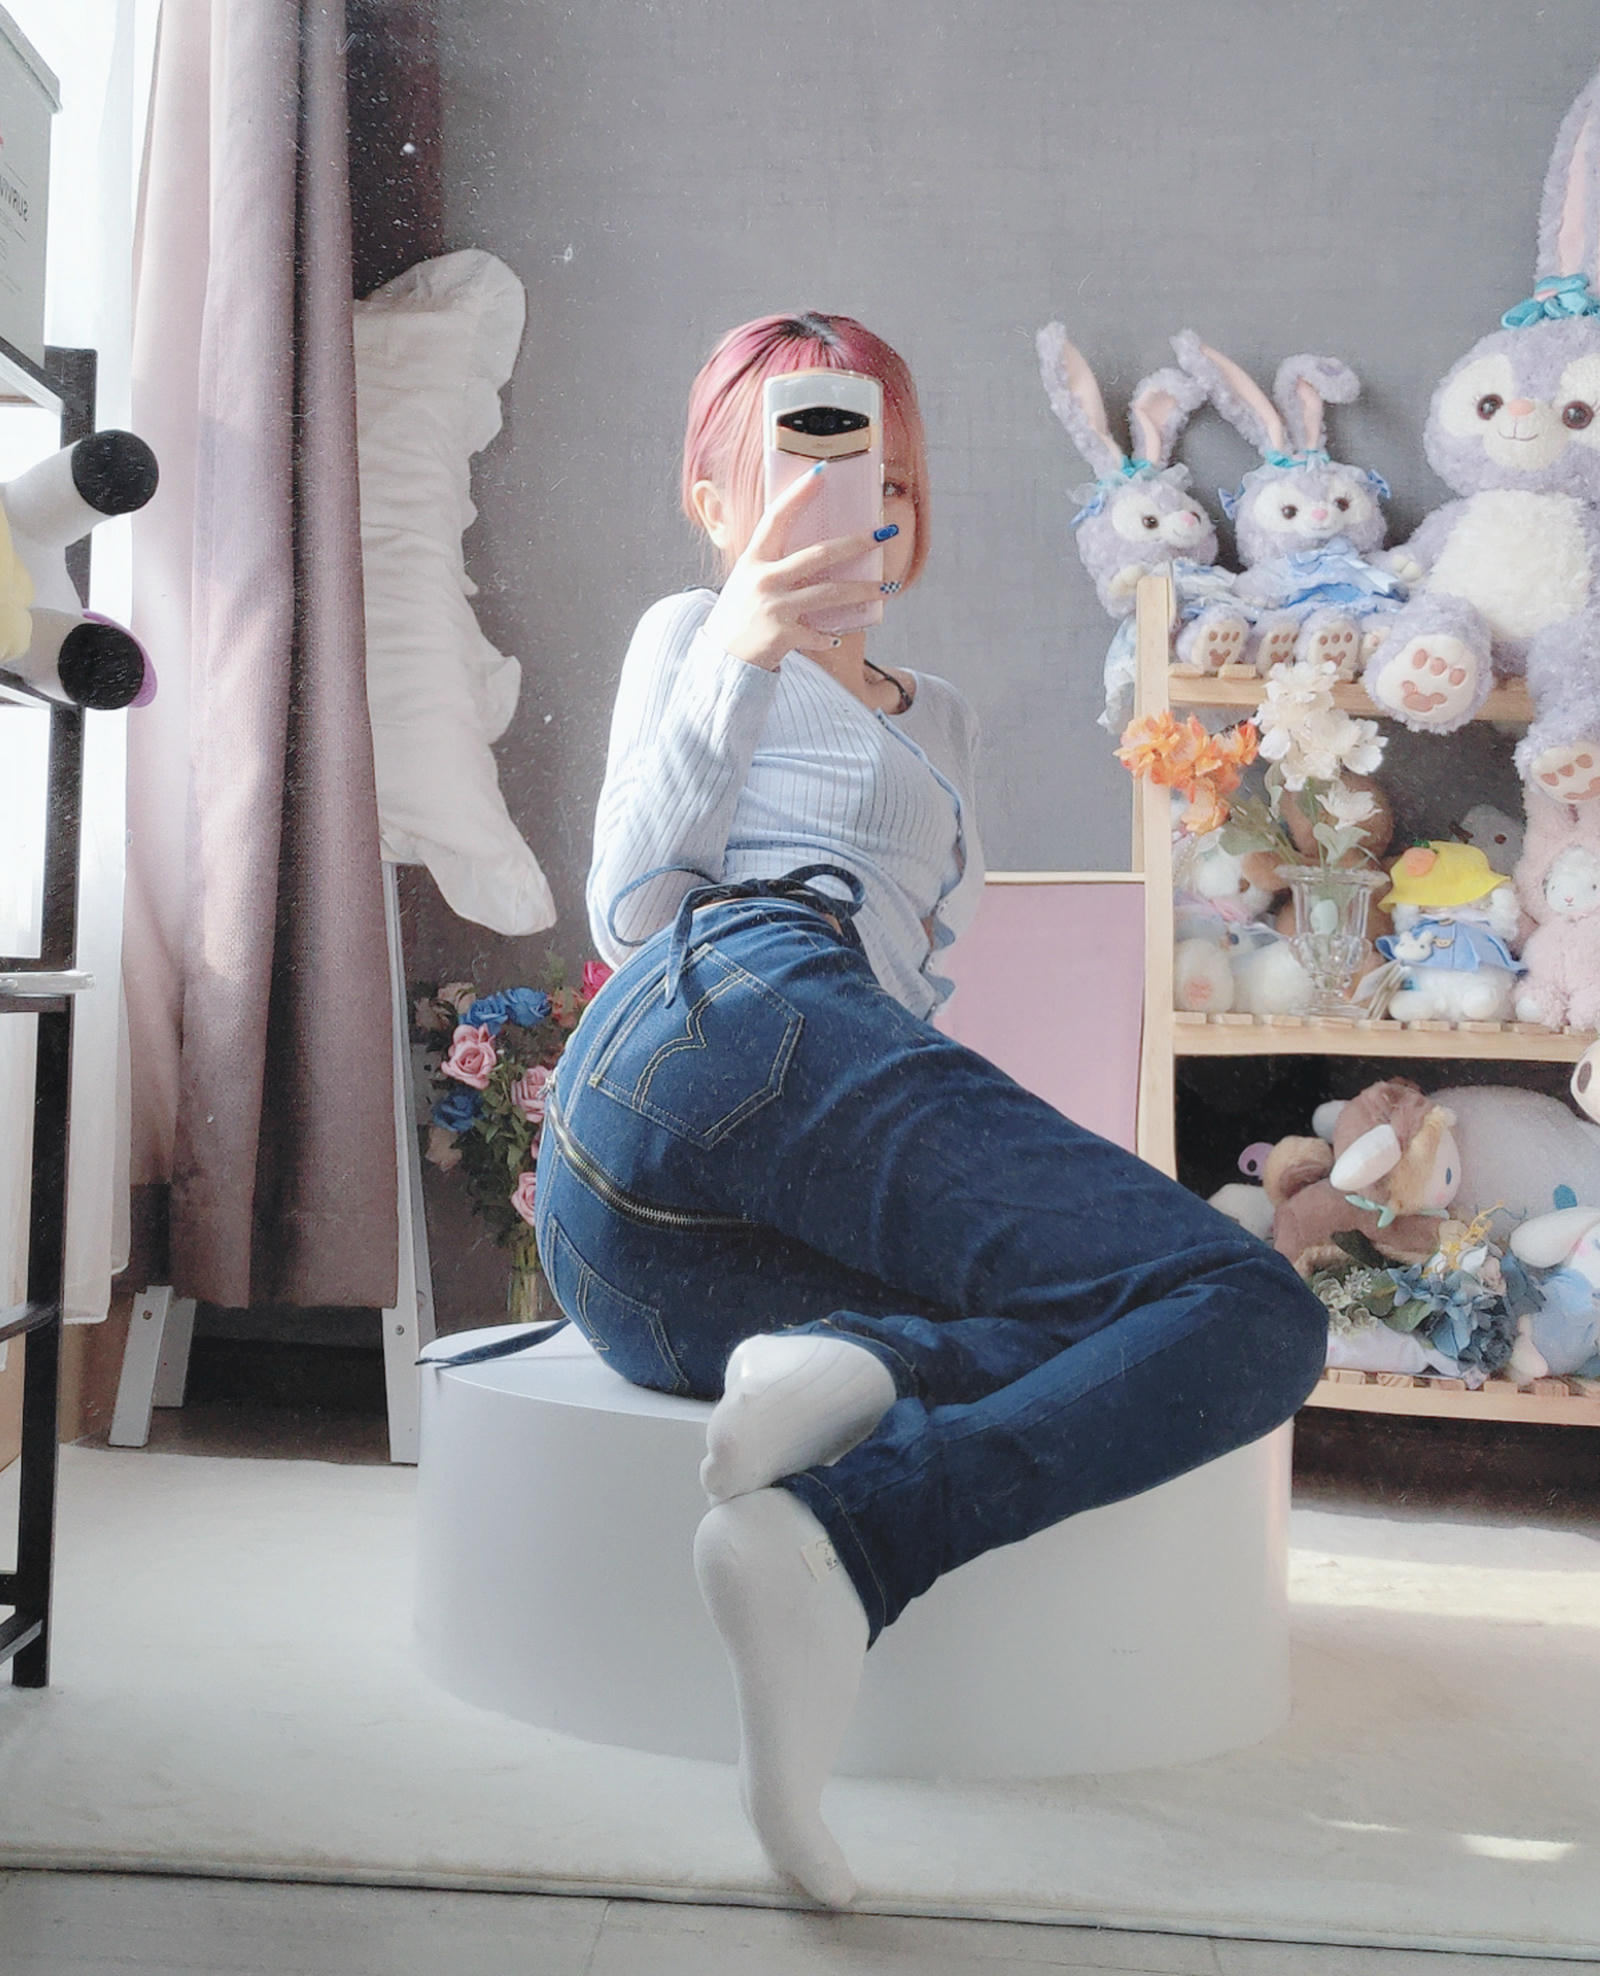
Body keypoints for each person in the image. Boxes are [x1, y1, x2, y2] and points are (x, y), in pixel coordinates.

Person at [534, 311, 1327, 1907]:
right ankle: (855, 1541)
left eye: (889, 479)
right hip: (712, 999)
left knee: (1144, 1308)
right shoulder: (691, 631)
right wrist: (745, 647)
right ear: (715, 500)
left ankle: (858, 1388)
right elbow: (629, 909)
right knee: (1248, 1300)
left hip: (650, 1278)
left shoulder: (940, 711)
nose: (865, 507)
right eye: (809, 467)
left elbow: (905, 981)